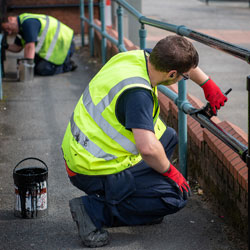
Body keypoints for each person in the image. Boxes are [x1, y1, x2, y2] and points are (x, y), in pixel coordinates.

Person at [61, 35, 227, 247]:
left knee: (168, 137)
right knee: (175, 196)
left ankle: (141, 200)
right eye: (182, 77)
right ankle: (92, 211)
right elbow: (147, 149)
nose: (183, 79)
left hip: (80, 149)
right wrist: (170, 172)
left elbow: (178, 59)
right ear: (172, 74)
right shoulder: (137, 94)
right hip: (92, 167)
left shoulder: (137, 58)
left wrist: (207, 84)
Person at [1, 13, 77, 76]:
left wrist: (27, 68)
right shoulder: (21, 28)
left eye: (8, 28)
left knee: (42, 69)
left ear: (11, 19)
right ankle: (63, 62)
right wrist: (4, 45)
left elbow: (30, 46)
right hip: (56, 47)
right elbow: (17, 47)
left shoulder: (27, 23)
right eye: (7, 30)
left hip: (65, 45)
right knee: (34, 67)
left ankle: (67, 65)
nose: (9, 32)